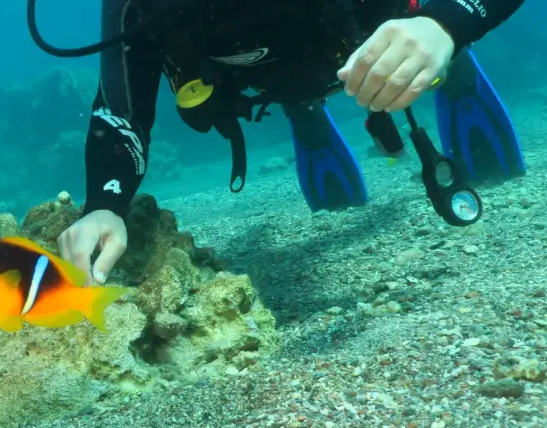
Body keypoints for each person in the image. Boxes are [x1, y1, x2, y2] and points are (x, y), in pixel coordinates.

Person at [41, 0, 526, 285]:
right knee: (295, 90)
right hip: (272, 81)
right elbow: (119, 108)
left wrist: (446, 24)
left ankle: (440, 64)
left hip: (381, 32)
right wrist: (104, 204)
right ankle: (305, 109)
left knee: (423, 43)